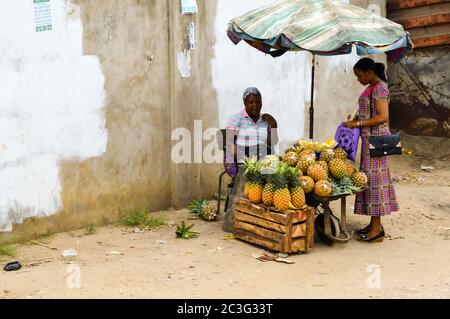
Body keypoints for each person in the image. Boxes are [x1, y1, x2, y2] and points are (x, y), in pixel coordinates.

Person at [345, 58, 399, 243]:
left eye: (359, 75)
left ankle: (377, 230)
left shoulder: (380, 88)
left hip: (377, 142)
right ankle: (373, 224)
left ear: (369, 72)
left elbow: (383, 117)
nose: (358, 79)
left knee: (376, 185)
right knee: (370, 182)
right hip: (369, 142)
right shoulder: (370, 88)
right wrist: (353, 120)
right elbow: (367, 111)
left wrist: (358, 123)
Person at [222, 87, 278, 232]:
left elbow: (272, 143)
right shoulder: (237, 118)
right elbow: (229, 143)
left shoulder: (265, 120)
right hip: (242, 155)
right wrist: (242, 158)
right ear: (245, 103)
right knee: (251, 174)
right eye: (250, 102)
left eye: (257, 102)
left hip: (263, 155)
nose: (254, 105)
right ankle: (238, 219)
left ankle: (267, 219)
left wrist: (274, 125)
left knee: (274, 175)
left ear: (261, 103)